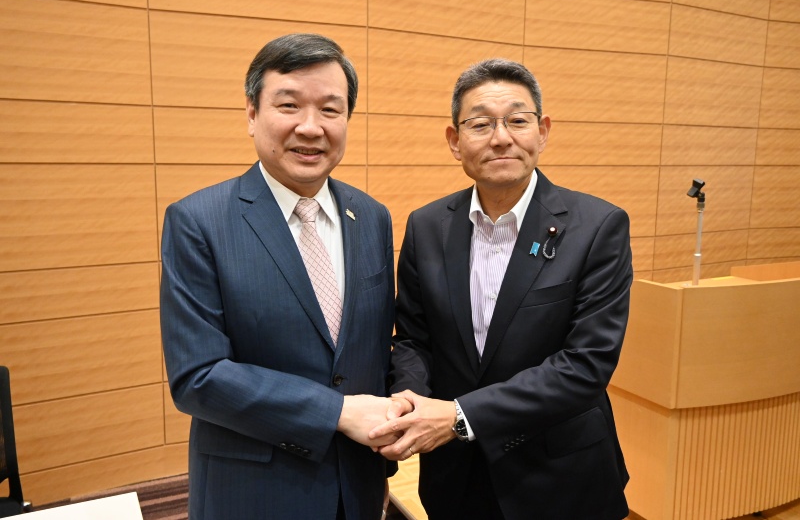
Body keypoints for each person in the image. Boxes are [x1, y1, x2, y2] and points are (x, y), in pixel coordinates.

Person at [369, 59, 632, 519]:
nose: (501, 138)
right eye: (480, 124)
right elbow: (413, 338)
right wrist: (410, 397)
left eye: (517, 120)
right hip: (456, 476)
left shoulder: (598, 226)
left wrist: (459, 417)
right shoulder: (426, 226)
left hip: (561, 477)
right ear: (455, 141)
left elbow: (585, 365)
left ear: (542, 132)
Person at [160, 33, 404, 520]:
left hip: (357, 483)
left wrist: (388, 450)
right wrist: (337, 413)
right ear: (252, 114)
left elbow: (372, 351)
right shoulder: (198, 221)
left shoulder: (372, 216)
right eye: (289, 105)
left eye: (330, 110)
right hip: (253, 492)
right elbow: (198, 377)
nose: (310, 127)